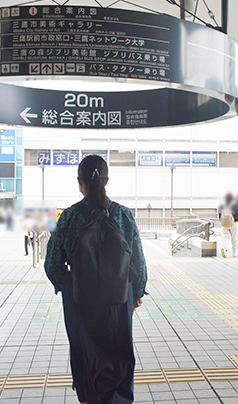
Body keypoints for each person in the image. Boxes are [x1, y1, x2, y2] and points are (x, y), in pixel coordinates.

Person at [45, 155, 148, 404]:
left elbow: (52, 263)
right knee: (119, 351)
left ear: (79, 181)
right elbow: (138, 261)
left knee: (86, 352)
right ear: (106, 180)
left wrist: (68, 288)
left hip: (81, 300)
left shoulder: (69, 217)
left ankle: (90, 398)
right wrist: (136, 294)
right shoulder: (122, 214)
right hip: (119, 297)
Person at [219, 193, 238, 258]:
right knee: (234, 237)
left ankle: (223, 247)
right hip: (233, 223)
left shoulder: (222, 205)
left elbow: (219, 215)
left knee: (225, 236)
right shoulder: (235, 205)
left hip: (224, 224)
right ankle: (234, 252)